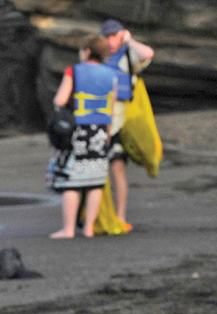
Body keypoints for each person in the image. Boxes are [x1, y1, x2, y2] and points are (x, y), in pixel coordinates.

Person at [48, 35, 119, 239]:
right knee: (95, 181)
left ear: (87, 51)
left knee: (71, 181)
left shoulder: (74, 71)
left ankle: (68, 229)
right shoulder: (111, 75)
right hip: (99, 130)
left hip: (76, 130)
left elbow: (60, 99)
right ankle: (88, 228)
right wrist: (107, 133)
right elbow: (111, 108)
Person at [99, 19, 154, 230]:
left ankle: (120, 217)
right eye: (107, 37)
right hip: (102, 121)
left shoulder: (129, 56)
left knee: (117, 169)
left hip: (121, 125)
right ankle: (100, 215)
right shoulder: (102, 58)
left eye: (114, 36)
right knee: (99, 172)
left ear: (121, 36)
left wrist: (129, 40)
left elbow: (147, 54)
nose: (111, 41)